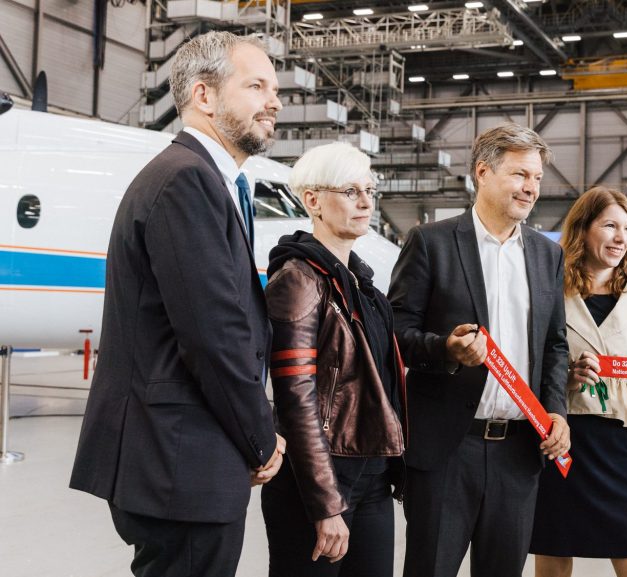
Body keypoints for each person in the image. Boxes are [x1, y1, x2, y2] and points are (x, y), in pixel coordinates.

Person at [69, 31, 285, 575]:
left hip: (183, 456)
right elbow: (215, 337)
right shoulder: (187, 181)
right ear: (203, 96)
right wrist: (262, 437)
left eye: (275, 88)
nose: (274, 101)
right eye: (256, 85)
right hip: (181, 460)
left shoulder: (206, 180)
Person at [388, 123, 570, 577]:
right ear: (483, 173)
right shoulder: (431, 243)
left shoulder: (547, 256)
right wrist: (445, 350)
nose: (531, 188)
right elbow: (394, 333)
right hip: (449, 449)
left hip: (519, 452)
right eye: (520, 175)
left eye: (537, 178)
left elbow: (555, 345)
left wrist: (557, 411)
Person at [260, 142, 407, 576]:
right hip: (320, 481)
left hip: (373, 476)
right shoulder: (299, 282)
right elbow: (296, 401)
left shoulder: (362, 287)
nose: (365, 203)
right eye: (350, 191)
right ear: (313, 201)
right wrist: (325, 504)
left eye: (369, 190)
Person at [530, 186, 627, 577]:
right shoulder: (548, 292)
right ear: (583, 229)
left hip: (616, 442)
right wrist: (564, 379)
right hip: (558, 438)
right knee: (552, 559)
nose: (620, 238)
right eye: (610, 226)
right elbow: (528, 364)